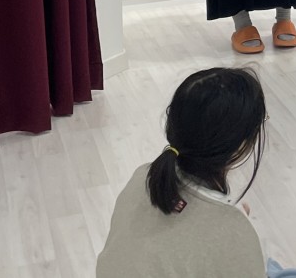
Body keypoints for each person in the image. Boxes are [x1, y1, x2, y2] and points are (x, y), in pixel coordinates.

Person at [96, 68, 269, 278]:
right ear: (241, 144)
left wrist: (229, 221)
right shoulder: (235, 231)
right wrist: (233, 225)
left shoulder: (144, 176)